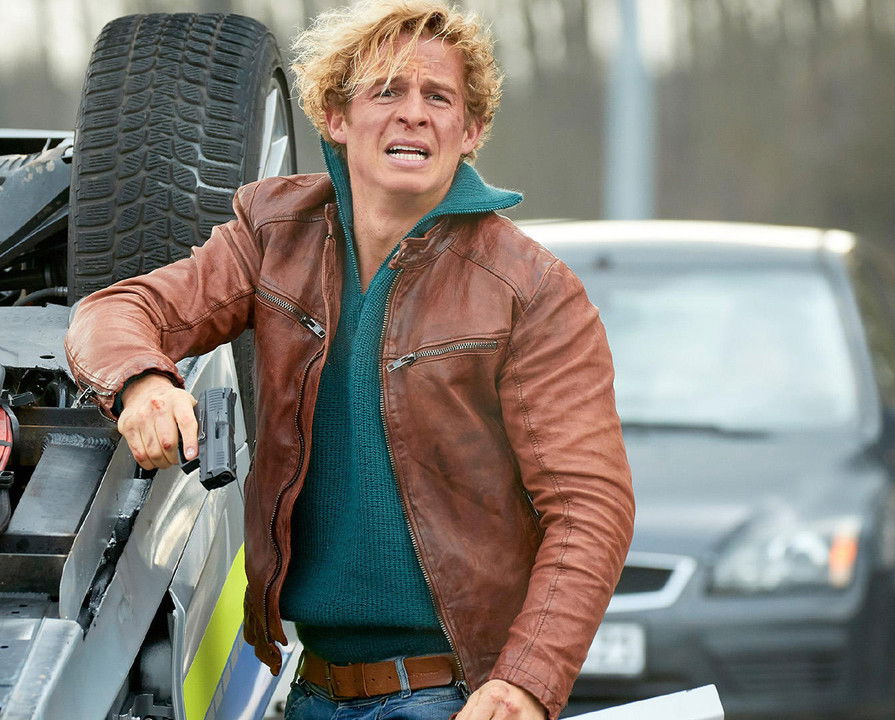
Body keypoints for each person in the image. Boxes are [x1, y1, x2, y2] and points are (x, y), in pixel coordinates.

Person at [64, 2, 634, 719]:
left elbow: (590, 508)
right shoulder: (275, 233)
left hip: (451, 696)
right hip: (312, 688)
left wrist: (526, 680)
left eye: (439, 97)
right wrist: (143, 380)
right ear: (336, 116)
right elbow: (114, 311)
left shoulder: (531, 289)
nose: (414, 113)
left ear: (470, 131)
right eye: (387, 90)